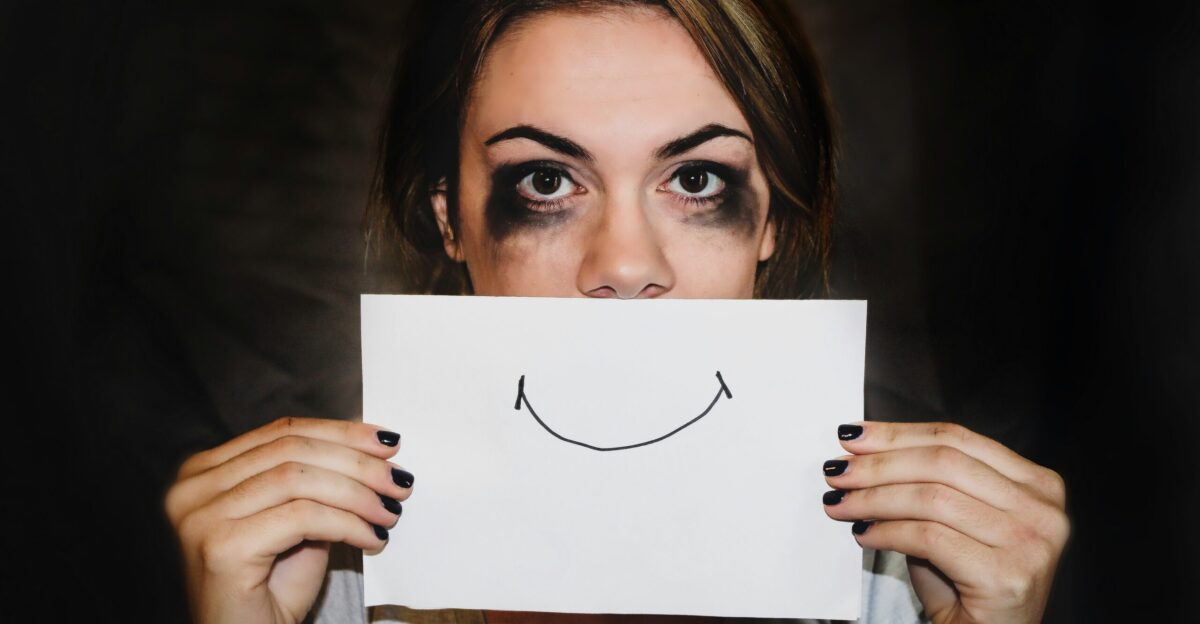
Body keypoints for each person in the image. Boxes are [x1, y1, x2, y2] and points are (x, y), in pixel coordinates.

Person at [164, 1, 1070, 623]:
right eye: (547, 181)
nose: (626, 265)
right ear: (450, 219)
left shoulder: (906, 585)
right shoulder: (321, 585)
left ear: (772, 223)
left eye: (696, 180)